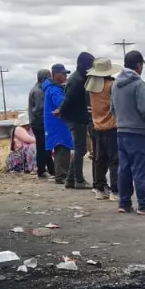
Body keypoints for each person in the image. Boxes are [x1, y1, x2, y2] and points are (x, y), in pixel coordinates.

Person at [112, 50, 145, 214]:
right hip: (138, 132)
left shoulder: (116, 84)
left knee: (124, 169)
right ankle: (144, 204)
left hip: (121, 131)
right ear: (139, 66)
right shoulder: (138, 83)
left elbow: (112, 109)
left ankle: (124, 203)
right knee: (141, 169)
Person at [87, 57, 122, 200]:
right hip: (112, 126)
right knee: (115, 160)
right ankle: (115, 190)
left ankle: (99, 187)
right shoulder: (111, 85)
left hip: (97, 126)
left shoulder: (91, 87)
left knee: (100, 159)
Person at [58, 52, 95, 189]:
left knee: (79, 149)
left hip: (76, 117)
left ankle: (70, 179)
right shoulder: (78, 80)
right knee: (80, 149)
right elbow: (68, 99)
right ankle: (79, 180)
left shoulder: (78, 77)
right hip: (76, 118)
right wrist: (61, 110)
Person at [43, 64, 74, 185]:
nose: (65, 76)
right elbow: (61, 104)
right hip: (58, 124)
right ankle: (62, 176)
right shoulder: (55, 90)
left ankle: (60, 174)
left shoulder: (51, 87)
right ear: (55, 74)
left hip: (53, 123)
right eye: (63, 74)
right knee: (62, 147)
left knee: (59, 148)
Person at [27, 69, 55, 178]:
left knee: (45, 147)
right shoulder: (38, 92)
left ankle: (51, 169)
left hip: (37, 123)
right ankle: (42, 170)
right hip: (40, 124)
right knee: (42, 147)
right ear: (44, 79)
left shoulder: (38, 89)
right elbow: (40, 110)